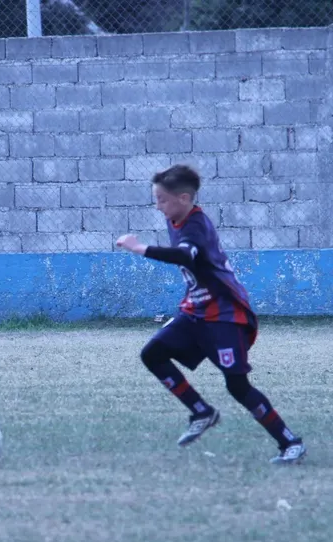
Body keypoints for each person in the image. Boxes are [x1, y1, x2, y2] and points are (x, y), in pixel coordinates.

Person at [114, 165, 305, 464]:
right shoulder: (176, 219)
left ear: (184, 198)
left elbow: (185, 255)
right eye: (156, 199)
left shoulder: (196, 225)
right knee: (152, 354)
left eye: (162, 199)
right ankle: (201, 411)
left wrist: (140, 248)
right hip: (196, 311)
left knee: (237, 385)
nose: (158, 205)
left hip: (224, 315)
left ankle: (290, 443)